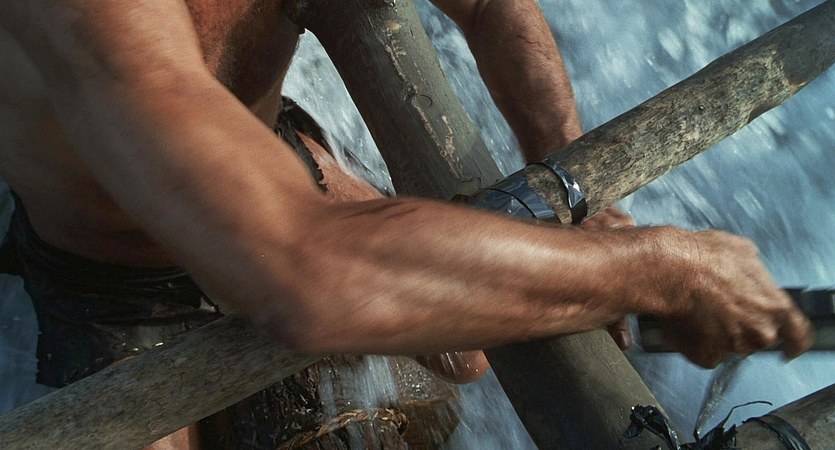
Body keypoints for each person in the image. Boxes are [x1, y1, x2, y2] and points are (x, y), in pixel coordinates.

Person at [0, 0, 812, 447]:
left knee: (464, 359)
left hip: (273, 169)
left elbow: (490, 6)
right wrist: (660, 270)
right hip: (116, 277)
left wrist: (584, 200)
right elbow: (305, 278)